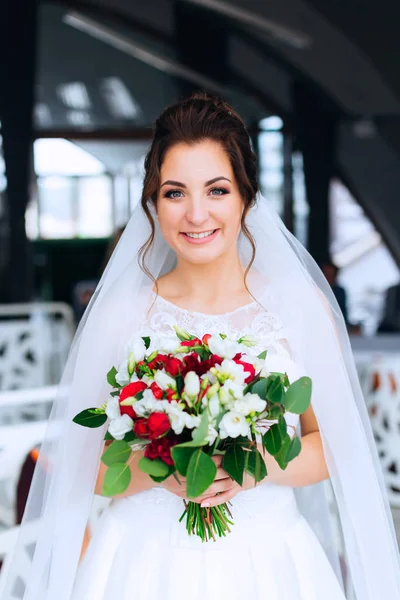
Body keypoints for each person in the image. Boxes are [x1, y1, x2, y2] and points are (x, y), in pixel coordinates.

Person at [3, 93, 400, 600]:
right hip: (141, 564)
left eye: (216, 190)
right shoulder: (122, 315)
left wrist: (255, 462)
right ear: (153, 202)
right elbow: (89, 471)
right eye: (174, 193)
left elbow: (333, 447)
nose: (195, 214)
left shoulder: (298, 310)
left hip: (267, 562)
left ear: (245, 198)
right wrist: (161, 466)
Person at [320, 261, 349, 326]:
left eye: (331, 276)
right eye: (326, 275)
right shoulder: (317, 291)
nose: (328, 278)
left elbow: (343, 312)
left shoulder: (340, 291)